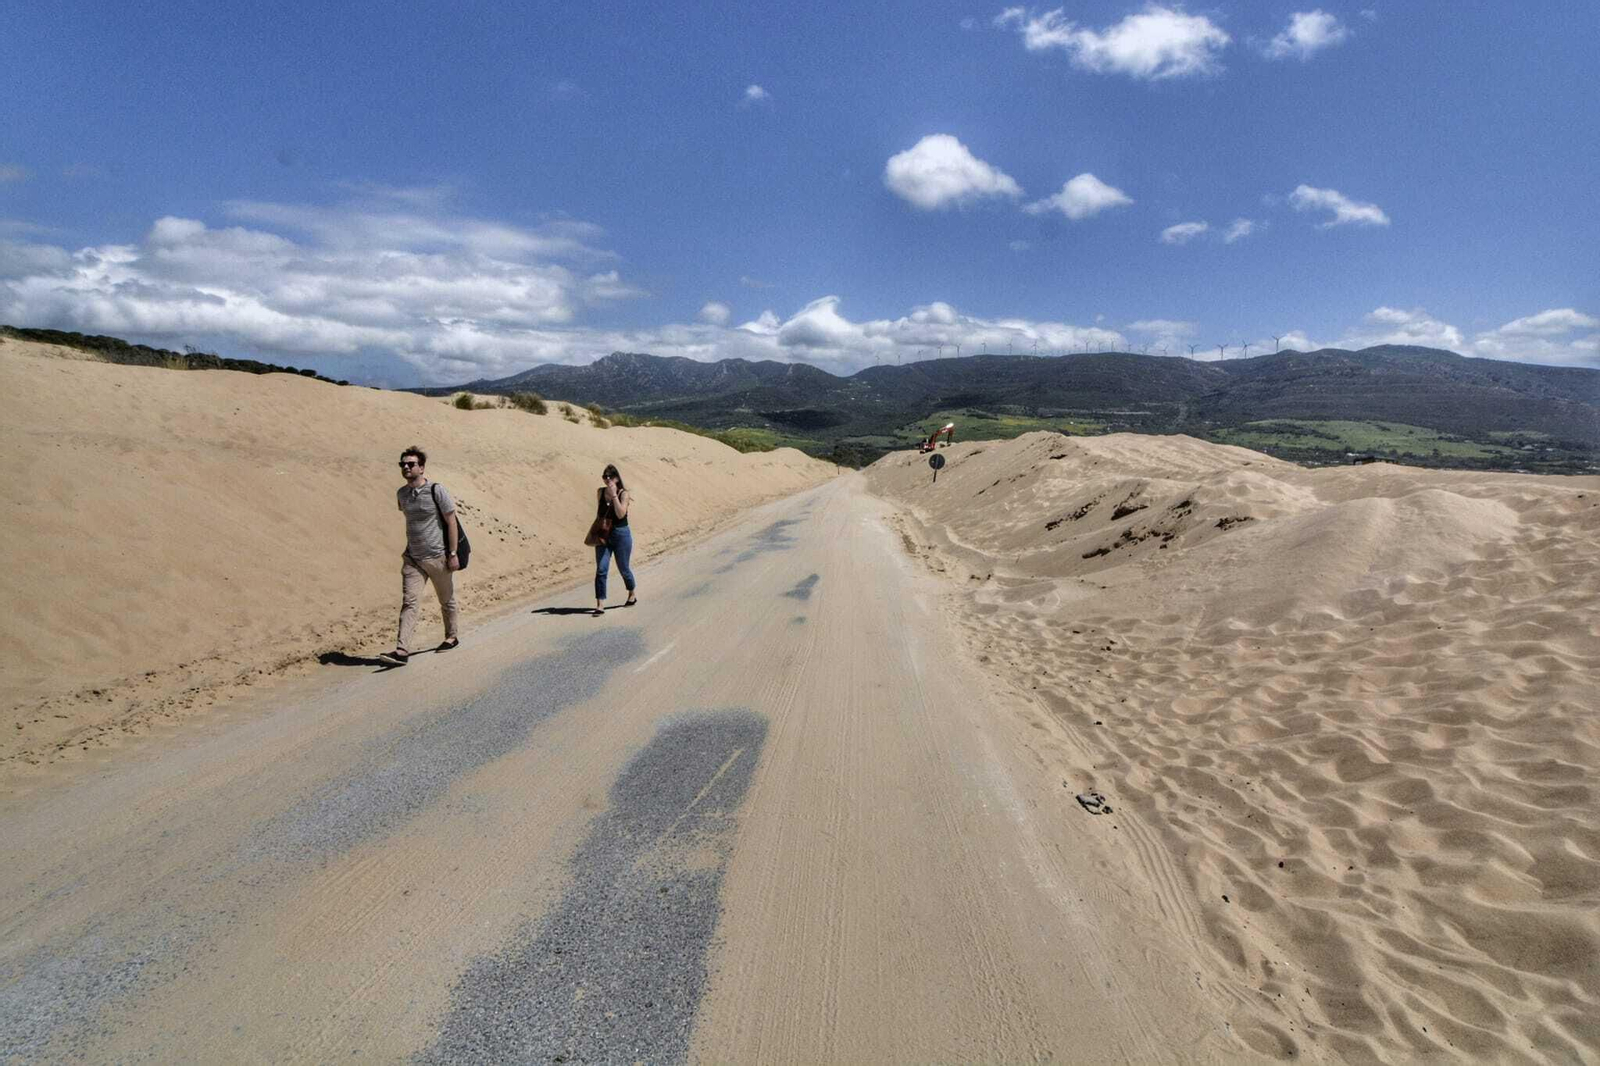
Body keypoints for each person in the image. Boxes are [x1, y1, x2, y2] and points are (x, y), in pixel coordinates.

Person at [380, 446, 460, 665]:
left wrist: (452, 553)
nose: (406, 467)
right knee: (410, 602)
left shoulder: (436, 490)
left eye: (411, 464)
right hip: (413, 559)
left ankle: (451, 636)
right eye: (402, 464)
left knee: (446, 599)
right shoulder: (402, 494)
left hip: (437, 557)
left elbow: (451, 521)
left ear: (421, 467)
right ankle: (402, 650)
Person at [593, 463, 637, 616]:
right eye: (605, 477)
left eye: (610, 477)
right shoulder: (600, 492)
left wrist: (613, 495)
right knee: (601, 569)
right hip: (604, 534)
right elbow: (599, 514)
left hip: (621, 534)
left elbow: (620, 514)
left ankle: (632, 593)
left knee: (623, 569)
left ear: (617, 478)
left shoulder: (623, 494)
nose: (607, 480)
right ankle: (600, 604)